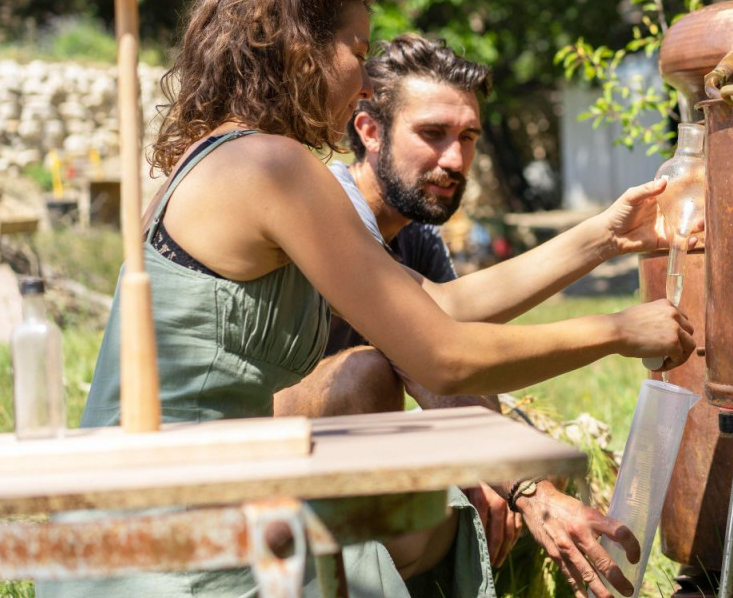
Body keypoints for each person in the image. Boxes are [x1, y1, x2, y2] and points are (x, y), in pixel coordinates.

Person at [40, 0, 695, 598]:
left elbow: (435, 306)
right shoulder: (271, 167)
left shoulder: (228, 159)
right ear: (301, 50)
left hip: (140, 521)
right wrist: (618, 332)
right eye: (357, 50)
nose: (362, 84)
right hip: (172, 547)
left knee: (428, 517)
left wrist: (604, 238)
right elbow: (444, 356)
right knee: (423, 517)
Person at [274, 33, 683, 596]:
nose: (454, 160)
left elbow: (458, 354)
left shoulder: (414, 237)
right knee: (368, 370)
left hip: (344, 462)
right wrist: (523, 483)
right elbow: (430, 353)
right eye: (432, 134)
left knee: (505, 452)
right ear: (369, 131)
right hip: (255, 454)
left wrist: (505, 476)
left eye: (468, 137)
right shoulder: (328, 207)